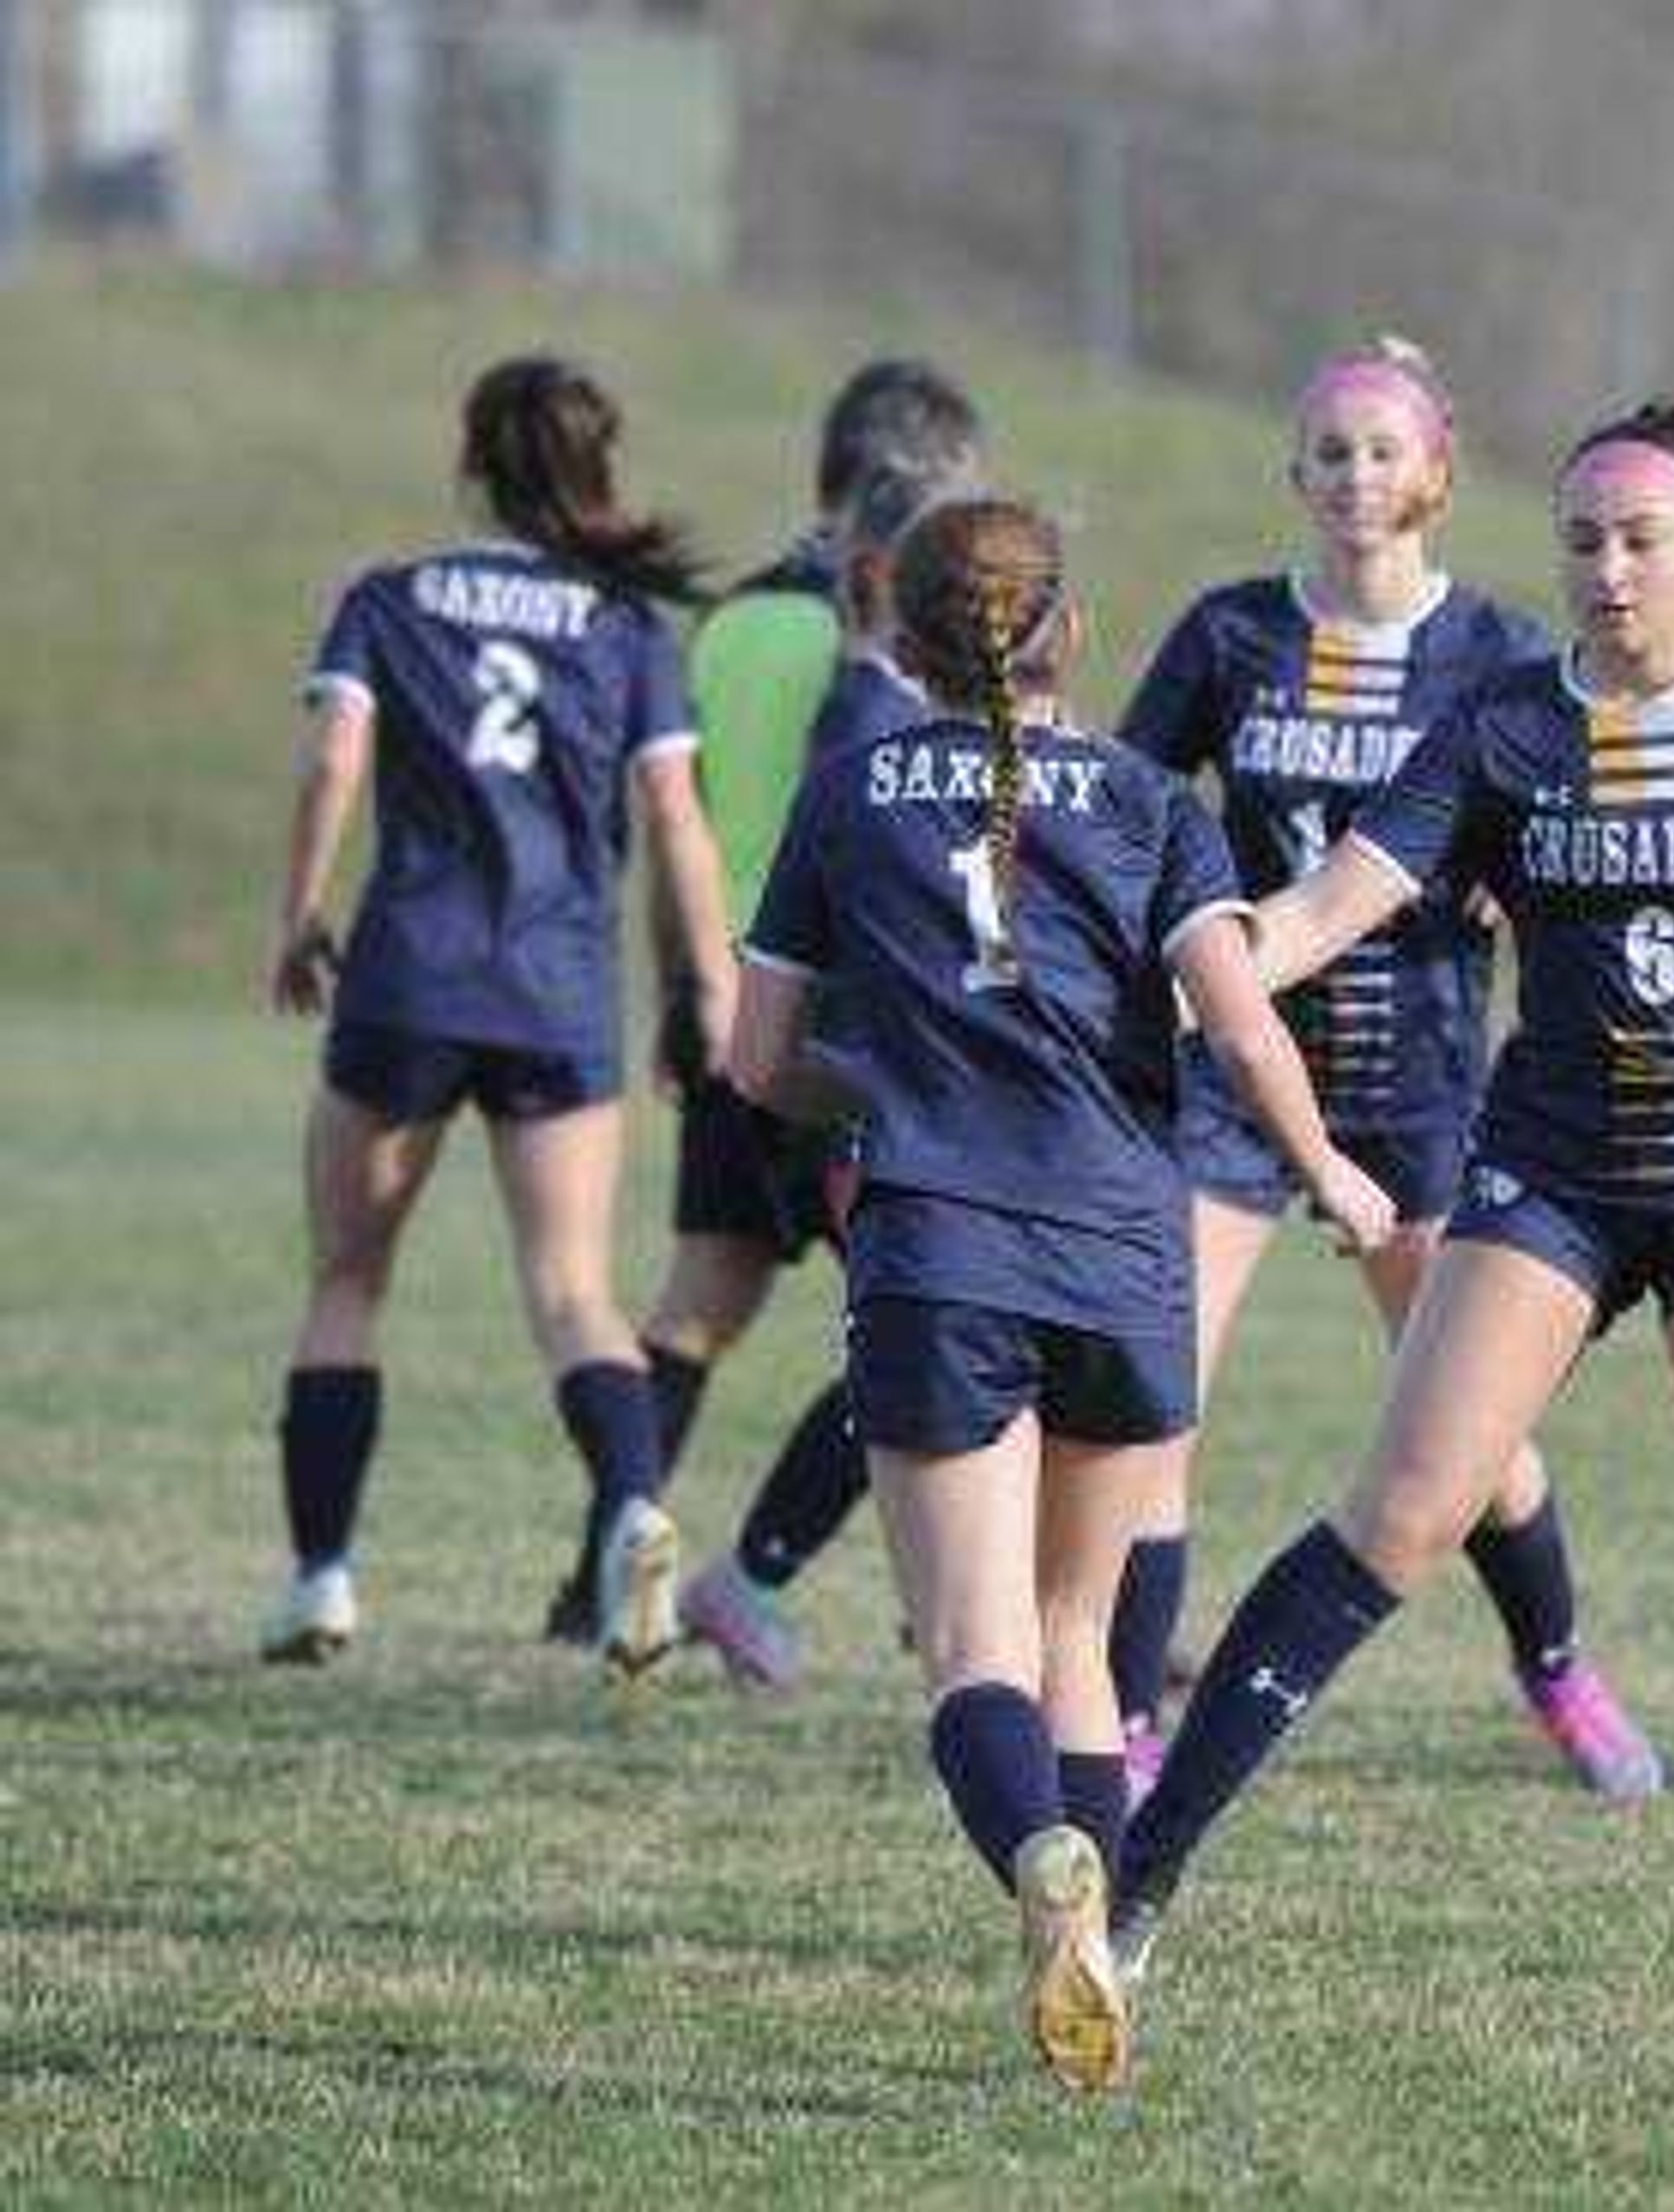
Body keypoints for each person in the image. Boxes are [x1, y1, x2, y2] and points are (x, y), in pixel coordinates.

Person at [1111, 401, 1674, 1998]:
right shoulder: (1504, 728)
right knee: (1402, 1514)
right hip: (1555, 1173)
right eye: (1582, 538)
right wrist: (1176, 981)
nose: (1606, 567)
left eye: (1642, 539)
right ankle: (1134, 1887)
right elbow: (1319, 912)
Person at [730, 495, 1392, 2089]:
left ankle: (1042, 1856)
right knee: (1078, 1632)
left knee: (972, 1649)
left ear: (904, 637)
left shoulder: (848, 790)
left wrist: (883, 1088)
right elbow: (1241, 1030)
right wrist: (1329, 1169)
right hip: (1124, 1253)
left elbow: (757, 1061)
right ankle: (1095, 1948)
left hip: (939, 1249)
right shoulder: (1158, 800)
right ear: (1068, 634)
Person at [1111, 338, 1658, 1798]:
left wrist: (1517, 872)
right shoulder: (1229, 633)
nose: (1355, 475)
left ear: (1435, 472)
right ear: (1296, 474)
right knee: (1155, 1389)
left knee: (1472, 1433)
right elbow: (1128, 807)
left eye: (1381, 449)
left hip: (1417, 1083)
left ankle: (1555, 1671)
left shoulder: (1492, 652)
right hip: (1233, 1071)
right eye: (1329, 450)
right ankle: (1127, 1717)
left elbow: (1587, 813)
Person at [257, 354, 735, 1681]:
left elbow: (334, 756)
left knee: (348, 1281)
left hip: (408, 974)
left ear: (472, 459)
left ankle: (321, 1580)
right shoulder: (629, 629)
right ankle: (635, 1510)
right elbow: (676, 822)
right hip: (556, 988)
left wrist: (299, 911)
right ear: (599, 467)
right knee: (575, 1291)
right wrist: (708, 984)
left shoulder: (388, 598)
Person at [540, 361, 985, 1672]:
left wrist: (684, 998)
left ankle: (598, 1575)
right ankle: (858, 1587)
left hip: (725, 1007)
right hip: (841, 1034)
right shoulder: (894, 649)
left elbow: (680, 825)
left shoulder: (729, 627)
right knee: (937, 1324)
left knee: (695, 1310)